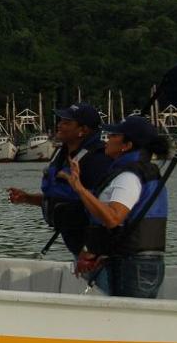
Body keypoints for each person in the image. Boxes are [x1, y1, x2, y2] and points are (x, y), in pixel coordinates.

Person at [59, 115, 169, 298]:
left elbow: (113, 218)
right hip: (131, 261)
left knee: (129, 315)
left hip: (133, 266)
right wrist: (97, 252)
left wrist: (79, 188)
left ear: (127, 145)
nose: (107, 139)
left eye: (114, 135)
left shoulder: (129, 177)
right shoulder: (135, 172)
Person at [7, 103, 113, 270]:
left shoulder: (97, 160)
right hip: (76, 246)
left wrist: (91, 249)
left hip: (95, 253)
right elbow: (64, 199)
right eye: (61, 120)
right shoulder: (62, 154)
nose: (59, 125)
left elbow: (102, 210)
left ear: (83, 130)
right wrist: (27, 198)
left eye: (67, 122)